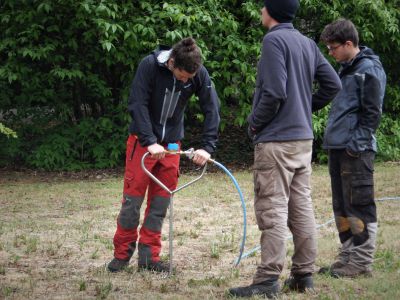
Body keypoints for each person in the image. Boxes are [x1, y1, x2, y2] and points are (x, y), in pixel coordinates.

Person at [228, 0, 342, 297]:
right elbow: (333, 85)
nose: (260, 11)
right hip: (302, 140)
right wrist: (304, 107)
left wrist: (254, 123)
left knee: (272, 209)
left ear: (271, 11)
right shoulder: (306, 43)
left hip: (276, 141)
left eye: (263, 6)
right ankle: (304, 275)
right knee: (301, 207)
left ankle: (267, 280)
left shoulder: (273, 41)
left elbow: (275, 91)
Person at [107, 37, 220, 273]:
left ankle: (149, 258)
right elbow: (137, 104)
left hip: (171, 148)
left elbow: (212, 108)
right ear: (171, 63)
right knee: (131, 203)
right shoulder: (149, 66)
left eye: (190, 78)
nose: (186, 81)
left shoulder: (197, 73)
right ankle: (121, 255)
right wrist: (149, 141)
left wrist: (207, 147)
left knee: (159, 204)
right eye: (182, 76)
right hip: (142, 144)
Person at [318, 19, 386, 278]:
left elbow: (372, 113)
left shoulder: (369, 69)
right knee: (342, 205)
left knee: (359, 205)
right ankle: (347, 255)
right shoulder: (346, 69)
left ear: (349, 44)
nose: (330, 52)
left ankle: (361, 261)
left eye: (333, 47)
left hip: (356, 150)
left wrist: (355, 146)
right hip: (338, 147)